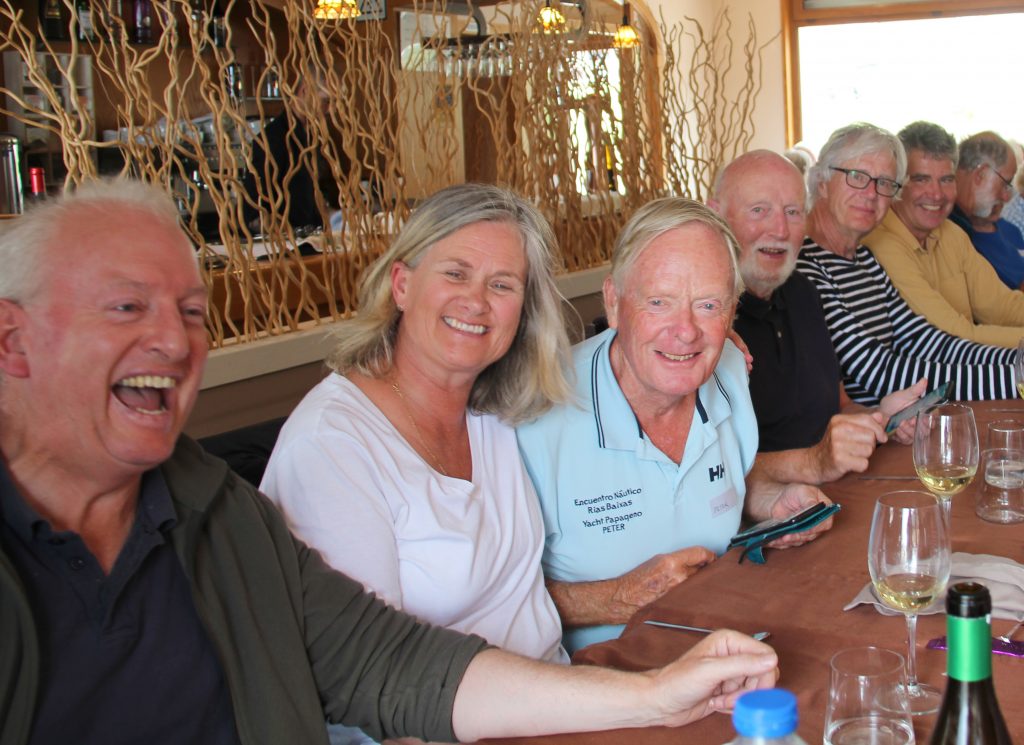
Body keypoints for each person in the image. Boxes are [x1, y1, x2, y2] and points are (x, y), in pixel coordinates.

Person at [0, 179, 780, 745]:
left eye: (191, 312)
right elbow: (375, 696)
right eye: (126, 307)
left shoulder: (218, 505)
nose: (173, 341)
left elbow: (389, 661)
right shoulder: (331, 445)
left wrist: (651, 694)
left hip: (549, 707)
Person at [260, 184, 573, 742]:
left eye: (502, 285)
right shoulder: (332, 446)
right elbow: (369, 684)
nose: (476, 302)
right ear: (402, 285)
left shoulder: (494, 411)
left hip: (557, 709)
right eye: (456, 273)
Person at [516, 197, 834, 654]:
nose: (685, 331)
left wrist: (770, 503)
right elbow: (487, 606)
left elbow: (714, 485)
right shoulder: (535, 415)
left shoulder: (729, 369)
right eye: (659, 302)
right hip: (598, 674)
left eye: (708, 305)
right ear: (613, 301)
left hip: (721, 649)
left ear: (732, 311)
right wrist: (612, 598)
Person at [709, 150, 924, 485]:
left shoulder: (804, 293)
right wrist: (813, 463)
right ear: (716, 216)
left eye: (793, 212)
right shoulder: (703, 320)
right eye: (759, 210)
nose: (780, 229)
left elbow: (839, 406)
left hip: (837, 491)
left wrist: (881, 416)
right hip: (766, 512)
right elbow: (707, 473)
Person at [796, 123, 1018, 406]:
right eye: (857, 176)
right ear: (822, 181)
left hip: (905, 424)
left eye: (885, 183)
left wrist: (1018, 362)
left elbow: (925, 341)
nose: (871, 193)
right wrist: (1014, 378)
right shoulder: (805, 266)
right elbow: (881, 371)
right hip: (874, 430)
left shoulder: (864, 259)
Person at [865, 122, 1024, 348]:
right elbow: (952, 337)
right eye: (921, 179)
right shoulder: (880, 243)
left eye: (946, 180)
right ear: (896, 183)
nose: (936, 194)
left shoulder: (951, 233)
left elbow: (1001, 306)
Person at [948, 131, 1024, 290]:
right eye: (1005, 184)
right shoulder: (950, 232)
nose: (1007, 197)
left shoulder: (1009, 229)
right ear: (980, 174)